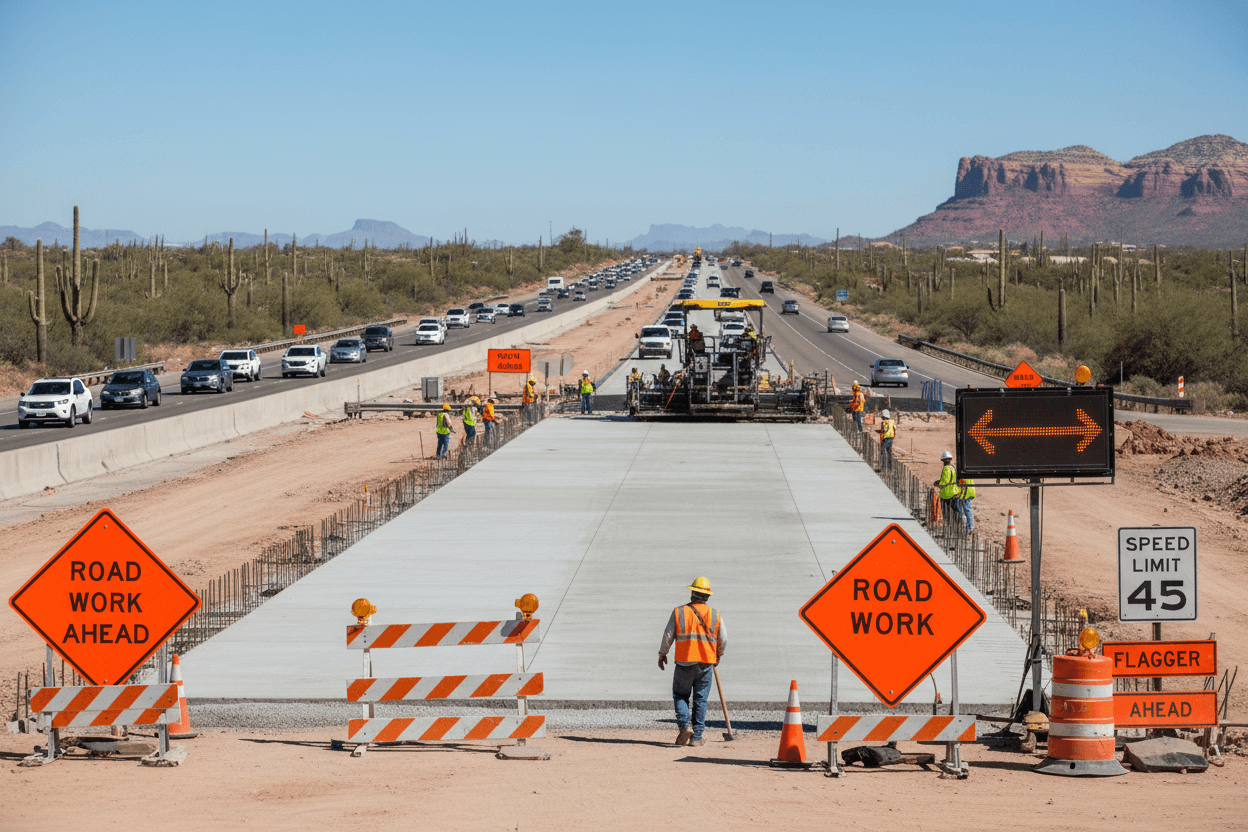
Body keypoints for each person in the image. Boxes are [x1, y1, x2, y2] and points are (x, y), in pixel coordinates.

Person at [658, 577, 727, 748]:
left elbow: (668, 635)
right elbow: (723, 640)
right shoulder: (715, 615)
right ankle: (697, 737)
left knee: (681, 695)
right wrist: (717, 656)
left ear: (692, 594)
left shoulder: (679, 612)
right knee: (700, 699)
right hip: (705, 663)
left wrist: (662, 653)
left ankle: (685, 726)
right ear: (707, 597)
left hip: (684, 661)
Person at [934, 451, 959, 523]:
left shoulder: (946, 468)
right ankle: (957, 525)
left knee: (946, 513)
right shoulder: (953, 468)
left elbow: (945, 481)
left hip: (946, 494)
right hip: (954, 492)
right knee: (955, 511)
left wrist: (938, 484)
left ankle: (949, 526)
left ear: (943, 461)